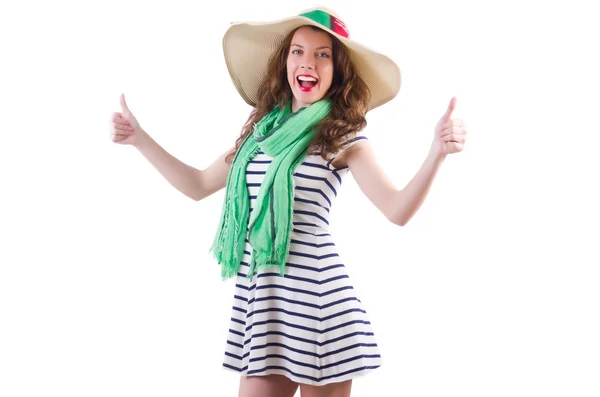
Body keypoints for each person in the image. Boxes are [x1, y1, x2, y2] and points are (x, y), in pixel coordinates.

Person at [109, 6, 467, 397]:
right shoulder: (258, 138)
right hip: (264, 307)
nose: (307, 62)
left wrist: (437, 153)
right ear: (285, 64)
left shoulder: (344, 140)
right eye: (297, 51)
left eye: (322, 54)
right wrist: (138, 139)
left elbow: (397, 211)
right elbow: (196, 184)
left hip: (319, 307)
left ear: (337, 71)